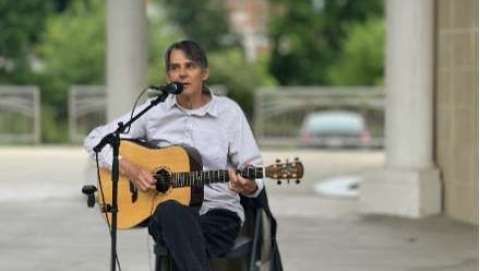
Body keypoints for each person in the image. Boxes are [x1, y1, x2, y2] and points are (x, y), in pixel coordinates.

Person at [84, 40, 264, 271]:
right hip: (166, 214)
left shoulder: (228, 113)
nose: (182, 74)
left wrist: (248, 185)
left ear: (205, 72)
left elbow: (254, 169)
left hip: (218, 213)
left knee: (181, 242)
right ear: (168, 76)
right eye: (174, 68)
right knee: (171, 211)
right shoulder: (154, 111)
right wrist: (129, 168)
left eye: (190, 66)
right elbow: (94, 140)